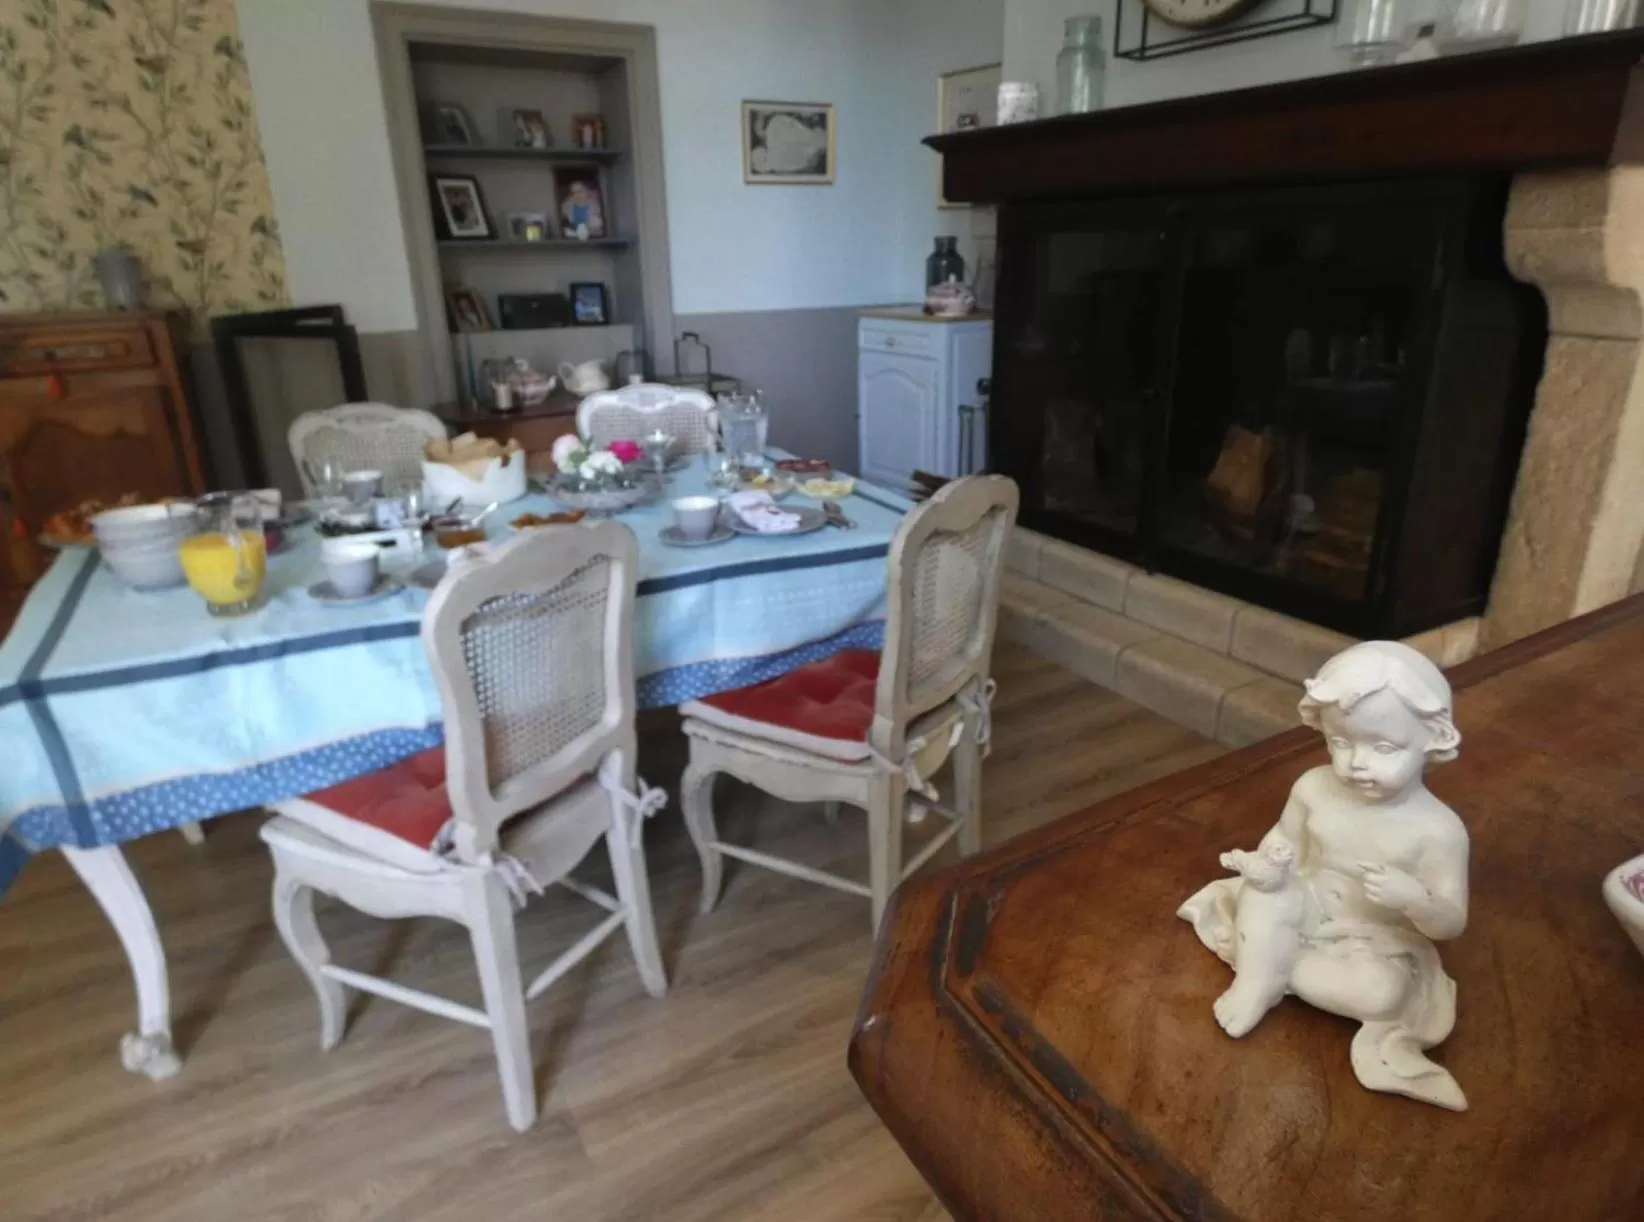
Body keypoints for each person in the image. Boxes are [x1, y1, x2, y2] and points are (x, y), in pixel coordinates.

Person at [1178, 640, 1470, 1110]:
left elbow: (1451, 921)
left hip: (1371, 936)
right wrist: (1269, 865)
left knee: (1381, 994)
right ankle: (1257, 981)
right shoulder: (1313, 788)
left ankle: (1273, 966)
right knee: (1263, 893)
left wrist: (1414, 899)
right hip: (1302, 902)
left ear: (1431, 741)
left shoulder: (1439, 830)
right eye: (1340, 742)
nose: (1356, 763)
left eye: (1384, 747)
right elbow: (1283, 841)